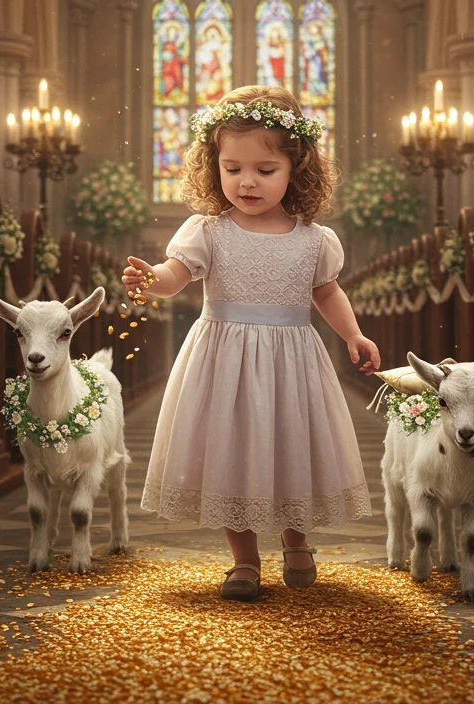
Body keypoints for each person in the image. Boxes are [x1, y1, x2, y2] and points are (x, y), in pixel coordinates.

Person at [124, 85, 380, 603]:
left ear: (296, 169)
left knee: (290, 446)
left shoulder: (313, 239)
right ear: (213, 165)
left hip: (291, 361)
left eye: (265, 170)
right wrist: (153, 278)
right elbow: (178, 274)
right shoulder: (208, 232)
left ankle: (297, 540)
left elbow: (326, 291)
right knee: (232, 450)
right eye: (232, 167)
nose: (247, 182)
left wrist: (353, 334)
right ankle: (243, 561)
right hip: (225, 361)